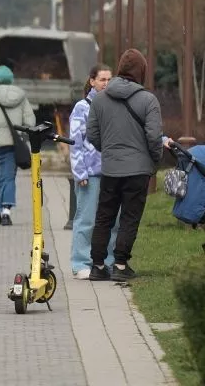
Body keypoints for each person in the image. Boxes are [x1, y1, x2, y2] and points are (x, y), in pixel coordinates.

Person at [87, 49, 163, 281]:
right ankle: (120, 265)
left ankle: (97, 266)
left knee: (104, 217)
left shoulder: (99, 99)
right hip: (138, 170)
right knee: (130, 217)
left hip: (110, 168)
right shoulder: (148, 100)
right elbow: (154, 136)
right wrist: (154, 159)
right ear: (141, 71)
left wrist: (108, 151)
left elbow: (91, 134)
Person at [69, 65, 118, 278]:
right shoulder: (82, 107)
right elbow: (75, 142)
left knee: (112, 221)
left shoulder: (115, 105)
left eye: (109, 79)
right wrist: (80, 172)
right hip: (90, 174)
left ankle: (107, 260)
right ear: (92, 81)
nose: (106, 83)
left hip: (112, 172)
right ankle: (80, 263)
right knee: (86, 219)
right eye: (102, 79)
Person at [0, 65, 36, 225]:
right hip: (14, 144)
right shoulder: (21, 97)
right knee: (9, 176)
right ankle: (4, 211)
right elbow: (30, 121)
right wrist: (23, 135)